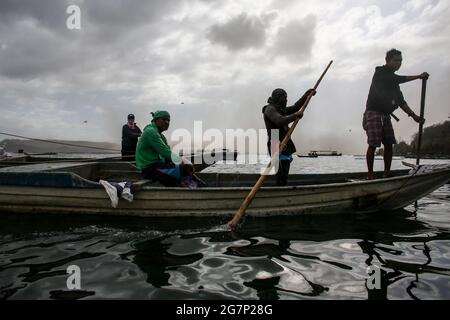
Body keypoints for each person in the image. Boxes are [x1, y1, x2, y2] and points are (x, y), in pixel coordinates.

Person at [363, 49, 428, 180]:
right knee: (374, 144)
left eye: (400, 61)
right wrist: (418, 76)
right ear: (387, 60)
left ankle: (387, 172)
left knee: (389, 143)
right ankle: (370, 175)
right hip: (373, 113)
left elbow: (402, 102)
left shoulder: (395, 85)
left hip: (386, 115)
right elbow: (398, 79)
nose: (399, 63)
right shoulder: (380, 73)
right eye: (396, 60)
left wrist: (414, 116)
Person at [135, 110, 204, 188]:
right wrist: (182, 161)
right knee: (182, 169)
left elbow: (168, 153)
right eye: (164, 119)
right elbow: (165, 152)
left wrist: (183, 163)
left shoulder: (161, 136)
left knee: (184, 168)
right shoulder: (150, 132)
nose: (167, 122)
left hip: (158, 166)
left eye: (168, 120)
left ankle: (196, 184)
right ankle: (189, 187)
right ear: (156, 120)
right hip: (149, 169)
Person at [262, 88, 316, 186]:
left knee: (285, 173)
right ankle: (279, 191)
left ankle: (283, 188)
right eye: (284, 98)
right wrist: (295, 116)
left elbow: (296, 107)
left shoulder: (282, 109)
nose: (286, 100)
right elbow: (279, 120)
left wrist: (306, 96)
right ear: (278, 98)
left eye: (286, 97)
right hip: (275, 141)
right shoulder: (270, 109)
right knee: (280, 173)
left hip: (285, 142)